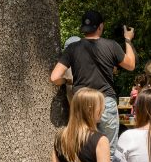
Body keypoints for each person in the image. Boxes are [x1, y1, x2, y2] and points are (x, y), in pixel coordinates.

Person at [50, 10, 136, 152]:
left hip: (82, 103)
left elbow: (54, 78)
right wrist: (127, 40)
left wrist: (67, 80)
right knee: (109, 151)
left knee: (83, 148)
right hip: (105, 101)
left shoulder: (72, 48)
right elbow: (131, 65)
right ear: (100, 26)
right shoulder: (112, 46)